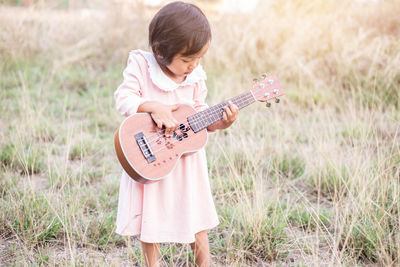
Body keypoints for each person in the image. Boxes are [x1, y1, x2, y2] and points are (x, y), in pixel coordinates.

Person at [114, 2, 239, 266]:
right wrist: (153, 106)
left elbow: (200, 116)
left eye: (198, 58)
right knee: (151, 218)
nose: (193, 65)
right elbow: (123, 98)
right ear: (160, 51)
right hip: (151, 158)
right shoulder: (142, 65)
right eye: (186, 59)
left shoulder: (195, 77)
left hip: (186, 164)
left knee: (197, 216)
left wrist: (221, 123)